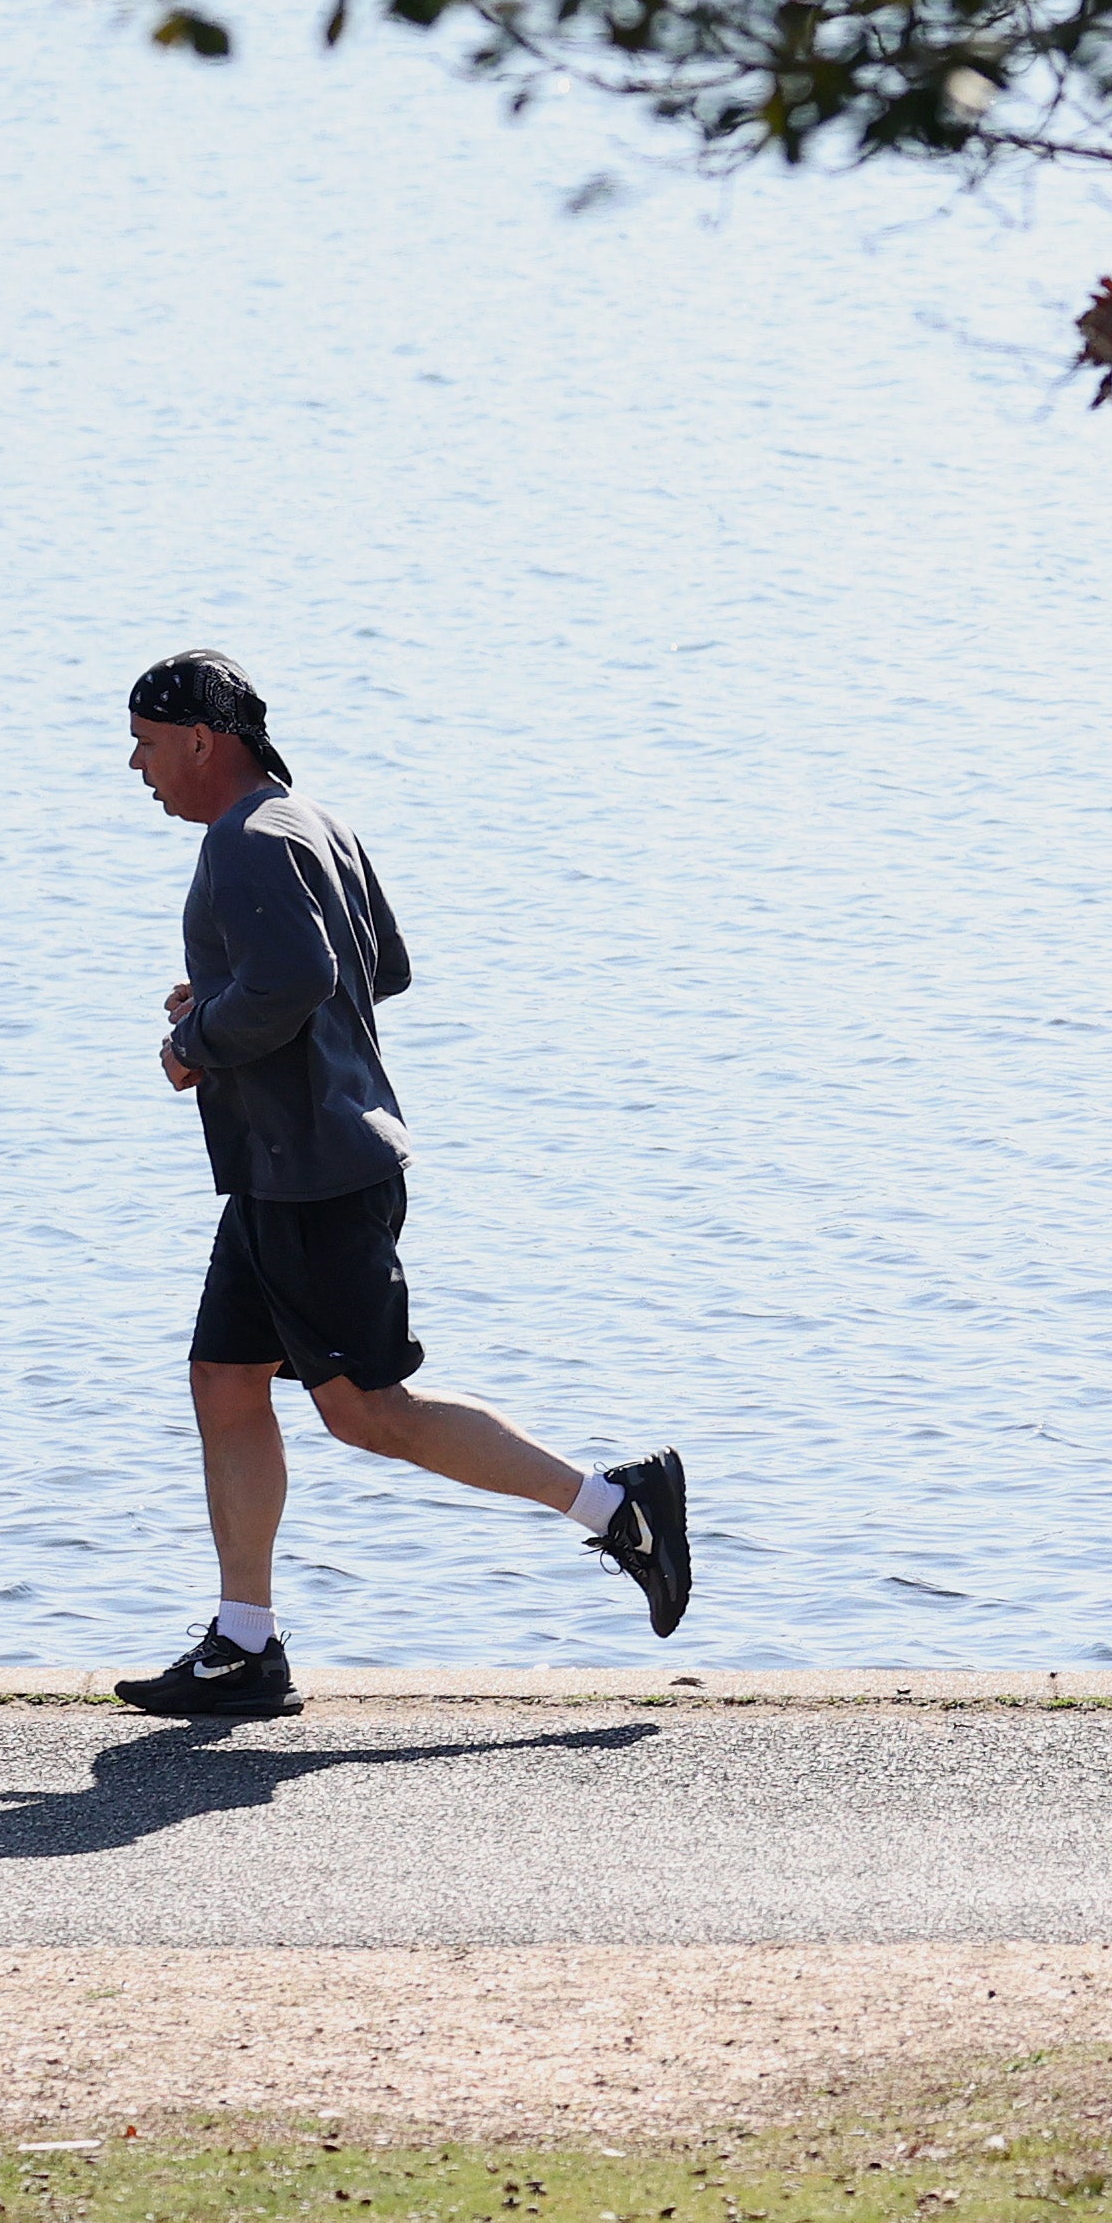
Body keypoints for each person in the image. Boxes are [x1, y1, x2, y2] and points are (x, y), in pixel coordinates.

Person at [115, 650, 691, 1717]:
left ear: (205, 739)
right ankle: (245, 1640)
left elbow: (303, 976)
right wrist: (240, 987)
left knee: (370, 1410)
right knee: (225, 1379)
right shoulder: (311, 820)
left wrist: (200, 1032)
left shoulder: (244, 839)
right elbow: (378, 966)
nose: (138, 767)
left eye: (148, 744)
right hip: (288, 1170)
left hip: (315, 1177)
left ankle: (619, 1506)